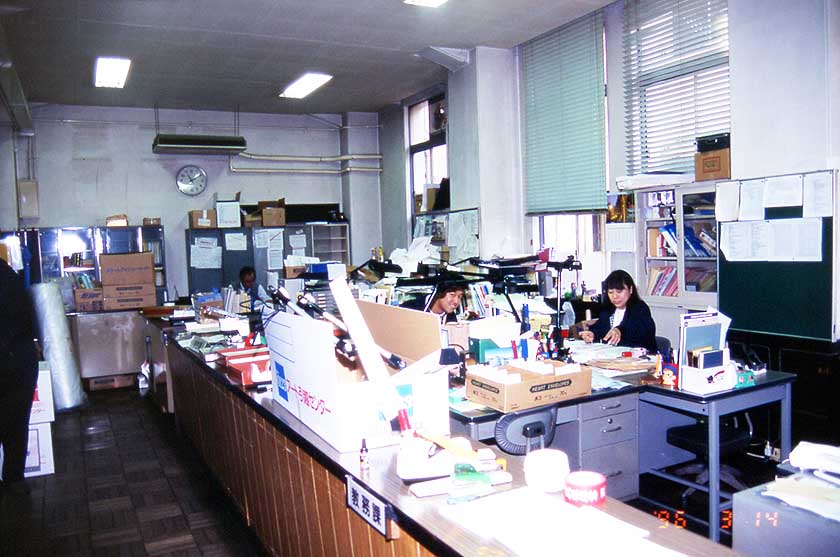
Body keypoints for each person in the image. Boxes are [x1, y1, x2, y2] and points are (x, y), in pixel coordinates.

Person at [0, 257, 39, 496]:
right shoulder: (10, 275)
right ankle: (14, 478)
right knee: (17, 422)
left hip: (12, 357)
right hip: (21, 358)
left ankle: (13, 479)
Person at [579, 269, 657, 353]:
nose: (615, 296)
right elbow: (601, 329)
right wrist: (593, 334)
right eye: (610, 292)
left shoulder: (640, 308)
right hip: (611, 356)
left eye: (619, 291)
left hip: (638, 357)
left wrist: (619, 330)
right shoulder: (608, 309)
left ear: (630, 289)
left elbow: (639, 330)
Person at [400, 272, 466, 324]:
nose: (456, 301)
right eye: (452, 295)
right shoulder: (409, 309)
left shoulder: (450, 317)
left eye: (460, 297)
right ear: (439, 292)